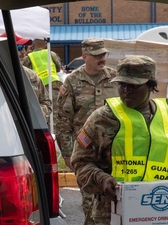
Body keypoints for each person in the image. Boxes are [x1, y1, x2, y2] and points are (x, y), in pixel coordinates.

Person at [70, 55, 168, 224]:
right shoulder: (102, 119)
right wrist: (101, 179)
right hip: (111, 214)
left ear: (151, 86)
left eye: (133, 85)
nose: (126, 91)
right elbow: (81, 162)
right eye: (122, 85)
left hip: (162, 214)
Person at [55, 37, 119, 224]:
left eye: (104, 55)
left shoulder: (114, 79)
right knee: (90, 206)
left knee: (119, 202)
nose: (102, 59)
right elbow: (63, 121)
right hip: (86, 154)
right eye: (97, 55)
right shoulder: (72, 82)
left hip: (115, 152)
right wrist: (68, 154)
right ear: (84, 56)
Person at [22, 38, 62, 131]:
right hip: (55, 85)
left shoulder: (29, 57)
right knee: (55, 112)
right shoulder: (51, 53)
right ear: (45, 44)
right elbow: (58, 68)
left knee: (44, 113)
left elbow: (24, 71)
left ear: (33, 44)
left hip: (40, 87)